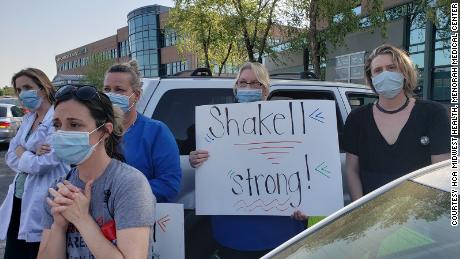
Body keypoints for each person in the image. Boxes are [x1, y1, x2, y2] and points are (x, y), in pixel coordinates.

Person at [189, 62, 307, 258]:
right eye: (243, 83)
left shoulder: (287, 123)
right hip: (233, 230)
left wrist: (308, 204)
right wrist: (197, 160)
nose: (248, 88)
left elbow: (304, 168)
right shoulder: (217, 125)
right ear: (236, 88)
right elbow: (213, 170)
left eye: (255, 83)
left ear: (266, 89)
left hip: (279, 230)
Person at [37, 85, 156, 258]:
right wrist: (58, 226)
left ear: (105, 131)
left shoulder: (129, 184)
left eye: (74, 124)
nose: (62, 133)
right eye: (57, 125)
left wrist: (82, 220)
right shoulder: (60, 188)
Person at [344, 44, 450, 201]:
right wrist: (359, 209)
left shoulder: (433, 113)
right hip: (371, 216)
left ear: (404, 73)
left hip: (417, 214)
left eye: (392, 67)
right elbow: (351, 170)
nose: (385, 74)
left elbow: (440, 172)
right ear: (372, 79)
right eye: (378, 70)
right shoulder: (357, 118)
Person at [0, 68, 69, 259]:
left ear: (43, 86)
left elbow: (44, 163)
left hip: (45, 199)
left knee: (37, 251)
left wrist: (23, 152)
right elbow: (10, 156)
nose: (23, 93)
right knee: (14, 251)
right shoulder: (29, 119)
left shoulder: (58, 118)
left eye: (28, 87)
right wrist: (30, 153)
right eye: (19, 89)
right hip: (19, 198)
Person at [102, 60, 182, 203]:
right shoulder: (97, 131)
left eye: (119, 90)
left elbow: (169, 185)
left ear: (137, 95)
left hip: (141, 216)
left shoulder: (156, 132)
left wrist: (122, 192)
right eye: (107, 90)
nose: (111, 95)